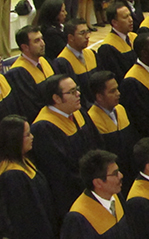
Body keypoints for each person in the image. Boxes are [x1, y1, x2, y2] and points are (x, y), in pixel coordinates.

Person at [31, 75, 102, 221]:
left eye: (77, 89)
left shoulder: (78, 112)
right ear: (56, 98)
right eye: (72, 91)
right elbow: (59, 173)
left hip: (96, 185)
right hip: (72, 197)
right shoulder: (44, 128)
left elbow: (98, 143)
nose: (78, 94)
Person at [0, 115, 56, 239]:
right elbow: (25, 219)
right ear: (15, 139)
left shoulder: (25, 160)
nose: (32, 137)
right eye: (27, 135)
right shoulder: (12, 175)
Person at [88, 71, 138, 196]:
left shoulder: (121, 109)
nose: (118, 94)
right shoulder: (91, 120)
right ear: (99, 96)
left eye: (117, 89)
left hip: (132, 173)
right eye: (112, 91)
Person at [61, 150, 132, 238]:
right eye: (115, 173)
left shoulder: (115, 196)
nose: (121, 175)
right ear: (98, 183)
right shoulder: (78, 218)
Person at [5, 26, 55, 121]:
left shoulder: (44, 61)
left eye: (42, 39)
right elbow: (31, 107)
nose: (43, 44)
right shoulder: (18, 72)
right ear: (25, 47)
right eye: (37, 41)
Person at [53, 19, 98, 105]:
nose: (87, 36)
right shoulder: (62, 62)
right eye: (82, 33)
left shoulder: (91, 54)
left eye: (87, 32)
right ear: (70, 37)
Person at [97, 3, 137, 82]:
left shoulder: (134, 37)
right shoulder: (107, 48)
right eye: (125, 17)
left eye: (130, 15)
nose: (130, 19)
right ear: (114, 22)